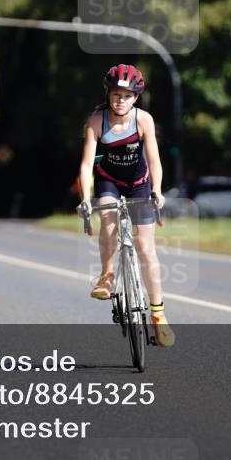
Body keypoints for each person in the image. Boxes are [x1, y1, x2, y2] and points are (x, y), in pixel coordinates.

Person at [76, 64, 175, 347]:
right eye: (116, 94)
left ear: (136, 98)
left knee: (145, 248)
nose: (121, 100)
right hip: (108, 180)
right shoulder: (97, 121)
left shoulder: (143, 120)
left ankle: (158, 315)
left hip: (139, 183)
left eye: (127, 95)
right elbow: (85, 165)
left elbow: (154, 161)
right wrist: (85, 197)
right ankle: (106, 277)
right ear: (108, 95)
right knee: (107, 219)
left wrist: (157, 191)